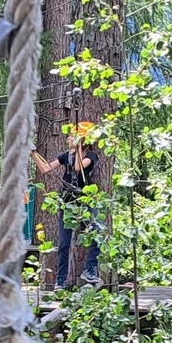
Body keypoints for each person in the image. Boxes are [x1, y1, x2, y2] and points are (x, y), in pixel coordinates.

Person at [31, 122, 102, 290]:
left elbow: (78, 168)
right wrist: (33, 153)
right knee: (63, 243)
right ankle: (60, 280)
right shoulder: (66, 156)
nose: (68, 138)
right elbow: (45, 169)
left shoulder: (91, 156)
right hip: (68, 201)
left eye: (73, 136)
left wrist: (77, 146)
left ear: (81, 139)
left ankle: (89, 268)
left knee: (98, 232)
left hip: (85, 199)